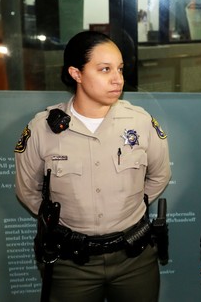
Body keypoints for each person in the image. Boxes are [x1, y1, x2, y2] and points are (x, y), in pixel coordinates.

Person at [14, 30, 171, 302]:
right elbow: (27, 189)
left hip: (134, 258)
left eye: (120, 69)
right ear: (76, 73)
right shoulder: (42, 129)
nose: (117, 79)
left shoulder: (140, 122)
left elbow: (159, 176)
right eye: (105, 69)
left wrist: (126, 209)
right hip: (71, 263)